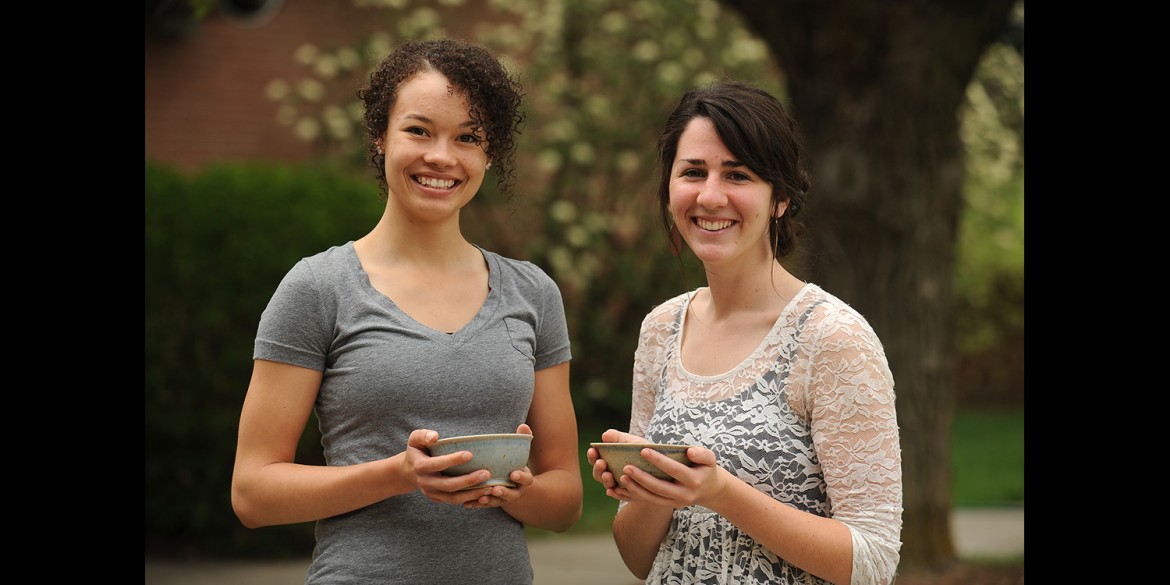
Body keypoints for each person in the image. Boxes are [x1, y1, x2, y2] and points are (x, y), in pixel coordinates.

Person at [231, 38, 582, 584]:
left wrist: (516, 491)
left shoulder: (532, 293)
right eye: (418, 130)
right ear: (380, 137)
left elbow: (565, 501)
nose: (441, 157)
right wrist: (400, 475)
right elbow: (253, 493)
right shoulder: (318, 287)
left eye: (468, 138)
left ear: (489, 155)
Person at [587, 81, 902, 585]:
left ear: (779, 198)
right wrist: (649, 489)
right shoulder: (661, 330)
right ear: (669, 187)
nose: (710, 195)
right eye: (693, 172)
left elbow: (872, 561)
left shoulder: (832, 338)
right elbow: (640, 558)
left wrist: (719, 492)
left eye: (737, 175)